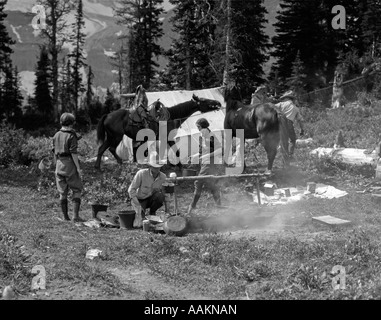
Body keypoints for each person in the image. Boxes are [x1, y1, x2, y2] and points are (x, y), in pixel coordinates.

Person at [52, 113, 84, 222]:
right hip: (69, 164)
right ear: (72, 123)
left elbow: (54, 152)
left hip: (59, 164)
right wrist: (78, 168)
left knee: (62, 192)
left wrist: (55, 164)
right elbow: (74, 153)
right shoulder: (71, 135)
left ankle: (65, 217)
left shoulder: (56, 135)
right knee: (77, 189)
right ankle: (75, 216)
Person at [187, 118, 223, 215]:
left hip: (210, 164)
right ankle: (219, 206)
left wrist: (208, 155)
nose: (198, 129)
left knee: (198, 182)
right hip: (204, 163)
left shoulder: (211, 137)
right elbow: (200, 152)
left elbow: (220, 150)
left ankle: (192, 207)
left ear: (204, 127)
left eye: (199, 127)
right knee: (212, 185)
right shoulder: (201, 137)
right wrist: (193, 156)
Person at [128, 152, 167, 224]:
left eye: (158, 166)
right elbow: (131, 190)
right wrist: (137, 204)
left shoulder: (163, 177)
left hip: (150, 198)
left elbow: (164, 192)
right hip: (139, 199)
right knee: (141, 221)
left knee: (160, 196)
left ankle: (152, 212)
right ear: (150, 166)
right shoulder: (142, 174)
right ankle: (140, 213)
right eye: (155, 166)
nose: (157, 168)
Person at [274, 90, 305, 164]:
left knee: (283, 140)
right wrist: (302, 129)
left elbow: (271, 107)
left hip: (279, 123)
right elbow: (300, 120)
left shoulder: (281, 104)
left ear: (286, 98)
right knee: (292, 139)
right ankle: (290, 155)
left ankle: (284, 157)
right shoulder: (295, 108)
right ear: (292, 99)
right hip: (289, 123)